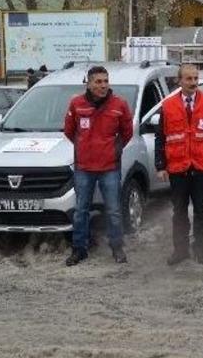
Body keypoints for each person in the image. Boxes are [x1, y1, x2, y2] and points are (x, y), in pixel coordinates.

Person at [155, 64, 203, 266]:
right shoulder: (167, 106)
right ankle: (180, 250)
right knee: (179, 212)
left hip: (202, 166)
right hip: (178, 168)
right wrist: (160, 165)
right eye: (188, 79)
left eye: (195, 78)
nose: (193, 82)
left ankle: (201, 250)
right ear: (179, 81)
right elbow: (160, 137)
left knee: (202, 211)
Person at [63, 66, 133, 266]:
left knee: (113, 210)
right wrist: (84, 148)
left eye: (105, 81)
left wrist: (114, 150)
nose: (103, 85)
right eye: (98, 81)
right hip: (84, 167)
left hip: (109, 167)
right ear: (89, 83)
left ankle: (117, 248)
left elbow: (127, 132)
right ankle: (79, 249)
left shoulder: (119, 104)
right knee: (81, 210)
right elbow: (69, 131)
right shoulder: (76, 104)